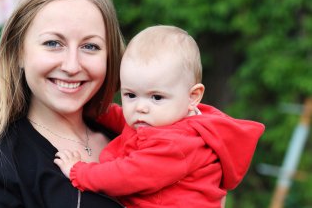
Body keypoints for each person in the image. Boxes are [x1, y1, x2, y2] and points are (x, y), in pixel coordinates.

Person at [0, 0, 126, 208]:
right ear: (18, 53)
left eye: (90, 46)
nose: (72, 66)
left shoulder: (130, 137)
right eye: (53, 43)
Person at [55, 25, 265, 208]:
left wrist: (79, 172)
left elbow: (127, 175)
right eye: (130, 95)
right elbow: (125, 121)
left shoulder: (178, 144)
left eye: (156, 97)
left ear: (193, 96)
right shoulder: (166, 118)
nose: (140, 108)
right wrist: (96, 108)